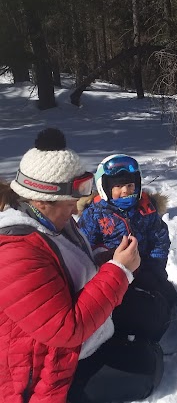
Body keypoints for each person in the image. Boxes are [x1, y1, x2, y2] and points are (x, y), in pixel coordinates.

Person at [0, 129, 163, 403]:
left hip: (79, 337)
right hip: (44, 369)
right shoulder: (15, 254)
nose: (76, 209)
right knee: (146, 369)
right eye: (70, 201)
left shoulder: (49, 222)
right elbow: (67, 329)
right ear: (41, 199)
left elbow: (72, 264)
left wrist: (108, 258)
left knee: (153, 312)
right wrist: (118, 271)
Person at [77, 154, 177, 341]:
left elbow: (159, 239)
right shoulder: (95, 213)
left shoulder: (146, 210)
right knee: (125, 309)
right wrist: (101, 264)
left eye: (130, 185)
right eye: (118, 186)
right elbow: (84, 245)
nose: (125, 191)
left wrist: (155, 268)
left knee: (169, 297)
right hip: (112, 273)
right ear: (105, 188)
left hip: (144, 268)